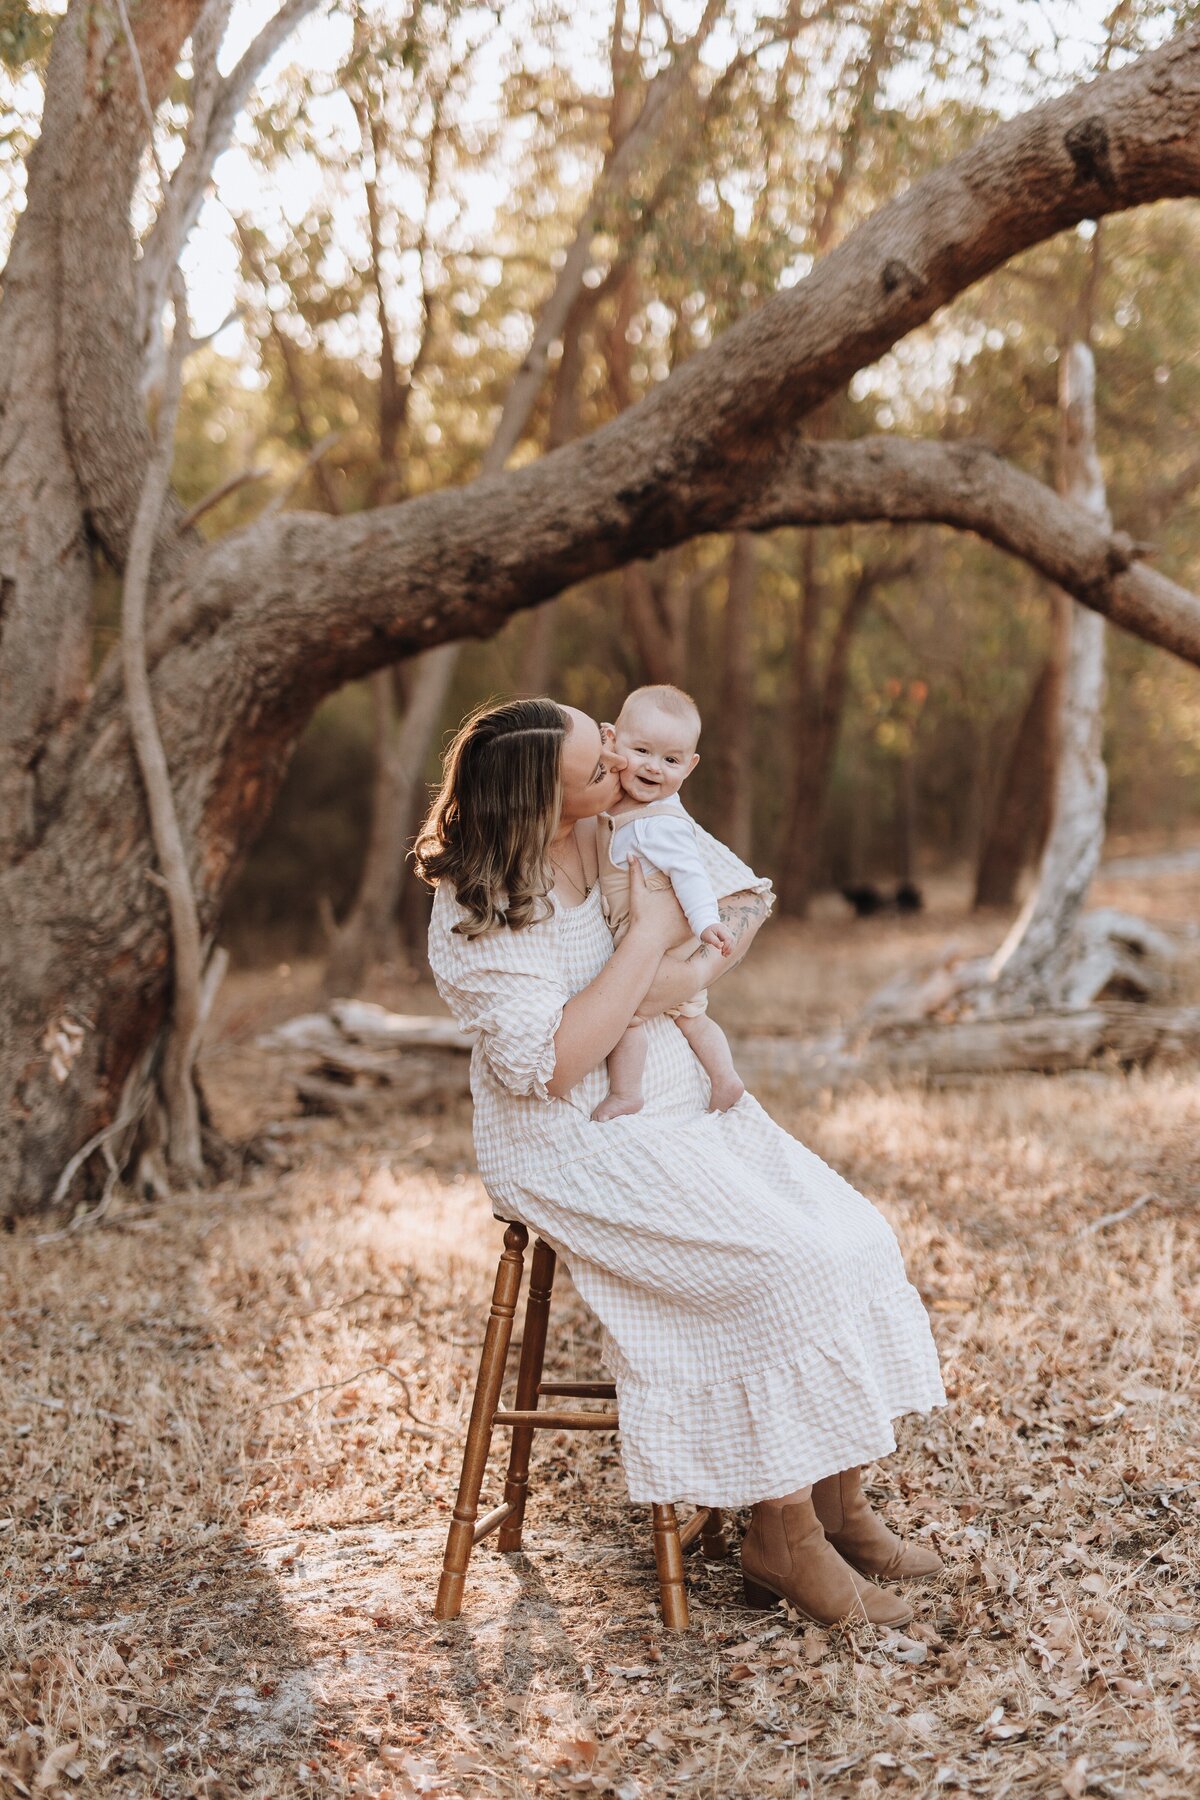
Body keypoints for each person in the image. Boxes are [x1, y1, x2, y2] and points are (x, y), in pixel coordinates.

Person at [415, 696, 946, 1627]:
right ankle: (784, 1540)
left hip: (676, 1097)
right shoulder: (474, 910)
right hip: (574, 1136)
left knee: (852, 1234)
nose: (619, 769)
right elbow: (557, 1062)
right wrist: (656, 942)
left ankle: (839, 1505)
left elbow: (735, 906)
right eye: (595, 767)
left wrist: (676, 969)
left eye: (612, 752)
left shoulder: (629, 815)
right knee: (783, 1267)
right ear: (538, 800)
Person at [593, 683, 745, 1122]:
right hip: (650, 936)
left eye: (671, 760)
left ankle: (627, 1092)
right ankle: (725, 1079)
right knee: (692, 1015)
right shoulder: (624, 801)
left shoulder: (664, 824)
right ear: (616, 741)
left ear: (690, 766)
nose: (654, 768)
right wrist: (604, 749)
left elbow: (691, 875)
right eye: (641, 750)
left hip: (659, 941)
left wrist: (705, 924)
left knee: (625, 1014)